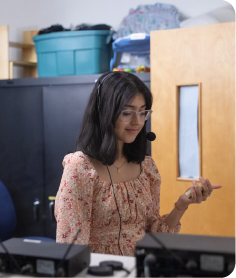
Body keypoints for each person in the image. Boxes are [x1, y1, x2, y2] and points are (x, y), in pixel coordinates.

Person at [55, 71, 221, 256]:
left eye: (143, 112)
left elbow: (152, 234)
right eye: (127, 112)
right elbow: (70, 242)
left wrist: (181, 205)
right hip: (99, 270)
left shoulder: (147, 167)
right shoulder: (81, 167)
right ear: (104, 113)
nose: (138, 122)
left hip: (143, 266)